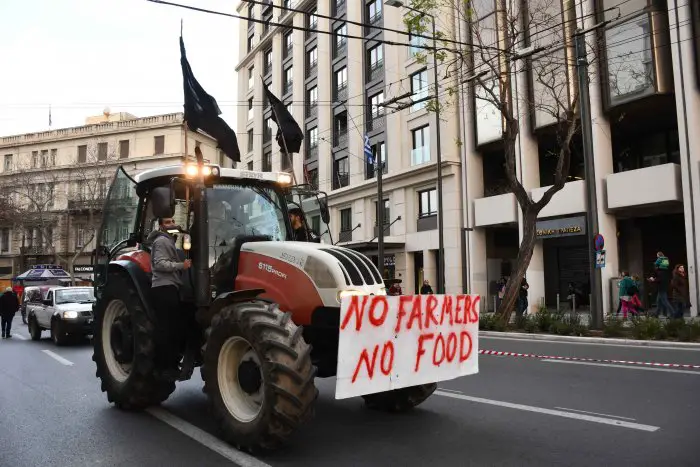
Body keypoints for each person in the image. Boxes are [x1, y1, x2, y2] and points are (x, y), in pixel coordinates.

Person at [147, 217, 192, 379]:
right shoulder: (161, 241)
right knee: (167, 329)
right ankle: (164, 368)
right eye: (167, 222)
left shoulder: (169, 241)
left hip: (169, 286)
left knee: (172, 328)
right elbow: (159, 264)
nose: (172, 224)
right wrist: (182, 265)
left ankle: (169, 365)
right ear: (161, 226)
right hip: (164, 287)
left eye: (173, 221)